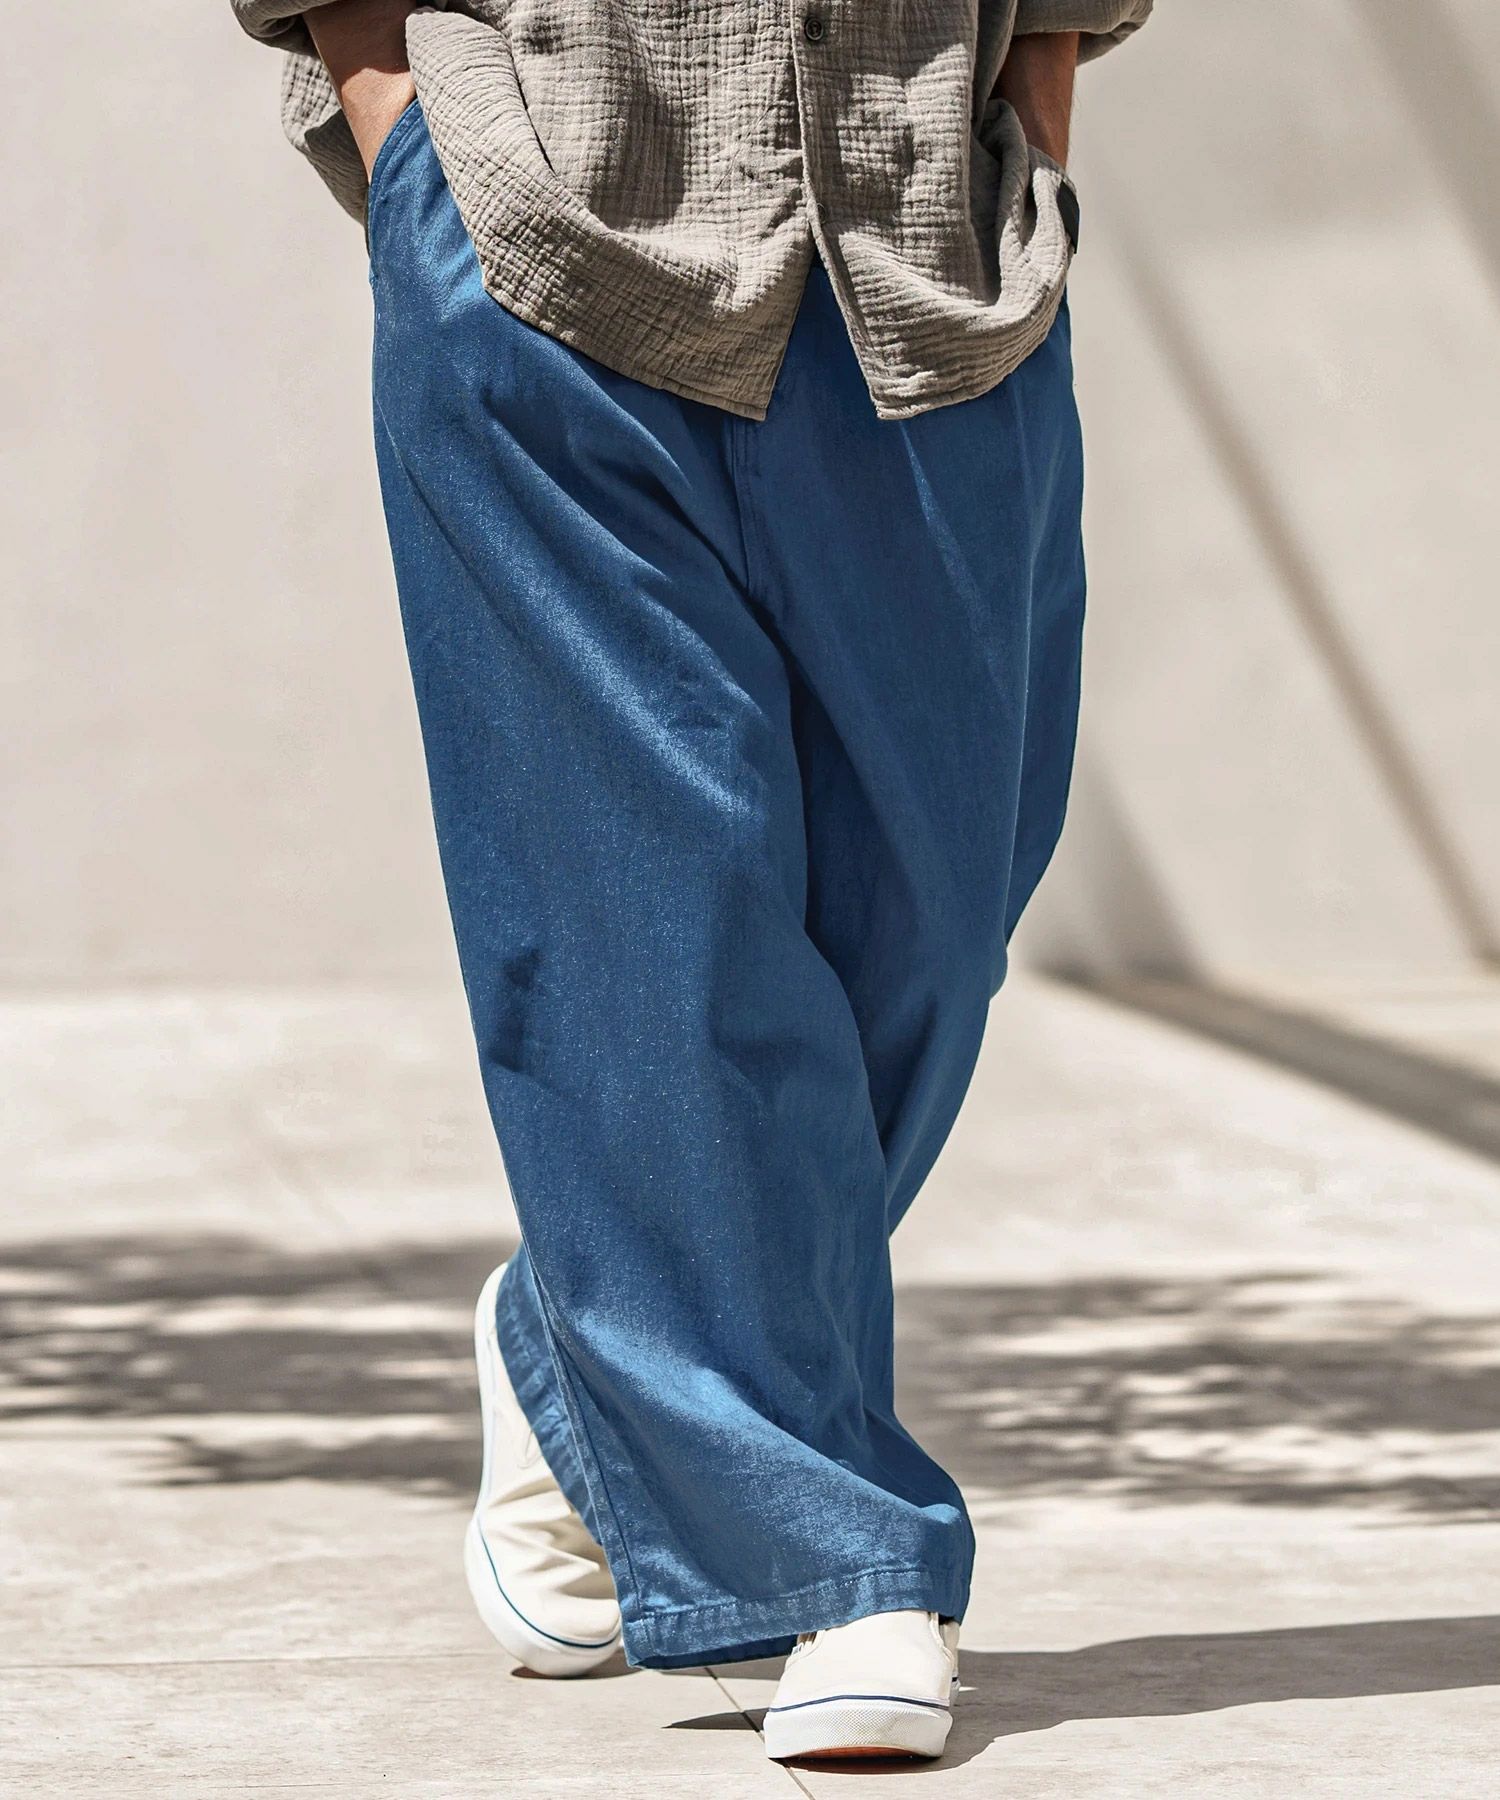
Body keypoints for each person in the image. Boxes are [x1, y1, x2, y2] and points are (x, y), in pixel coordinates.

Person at [233, 0, 1152, 1763]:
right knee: (654, 914)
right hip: (549, 233)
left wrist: (1034, 114)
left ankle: (582, 1331)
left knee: (941, 919)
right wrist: (407, 127)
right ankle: (839, 1562)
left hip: (932, 265)